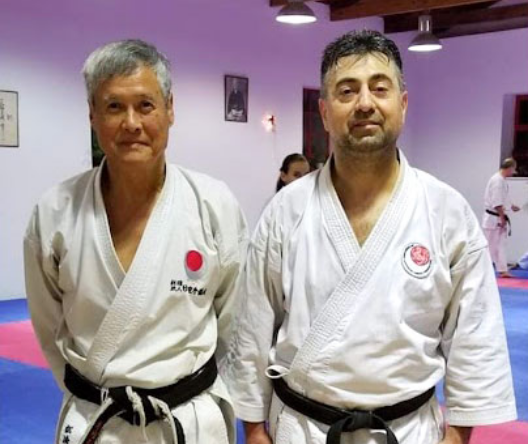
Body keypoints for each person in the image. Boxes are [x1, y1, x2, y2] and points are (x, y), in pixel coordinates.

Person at [225, 30, 516, 444]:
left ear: (403, 103)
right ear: (325, 112)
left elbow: (474, 336)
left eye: (380, 88)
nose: (365, 103)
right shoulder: (285, 212)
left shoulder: (446, 211)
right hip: (303, 429)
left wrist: (456, 436)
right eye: (347, 91)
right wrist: (254, 431)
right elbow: (251, 329)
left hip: (410, 430)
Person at [23, 39, 247, 444]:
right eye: (113, 107)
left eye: (145, 105)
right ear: (92, 115)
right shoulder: (55, 211)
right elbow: (48, 327)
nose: (131, 123)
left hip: (189, 423)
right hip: (97, 422)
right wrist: (92, 395)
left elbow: (233, 321)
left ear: (170, 110)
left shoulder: (213, 205)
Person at [481, 158, 521, 278]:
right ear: (509, 168)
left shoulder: (501, 180)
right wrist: (502, 218)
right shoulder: (497, 181)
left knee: (500, 245)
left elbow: (502, 199)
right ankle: (481, 269)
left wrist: (511, 206)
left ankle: (502, 270)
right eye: (513, 170)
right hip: (494, 218)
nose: (513, 173)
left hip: (497, 216)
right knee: (490, 246)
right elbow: (497, 202)